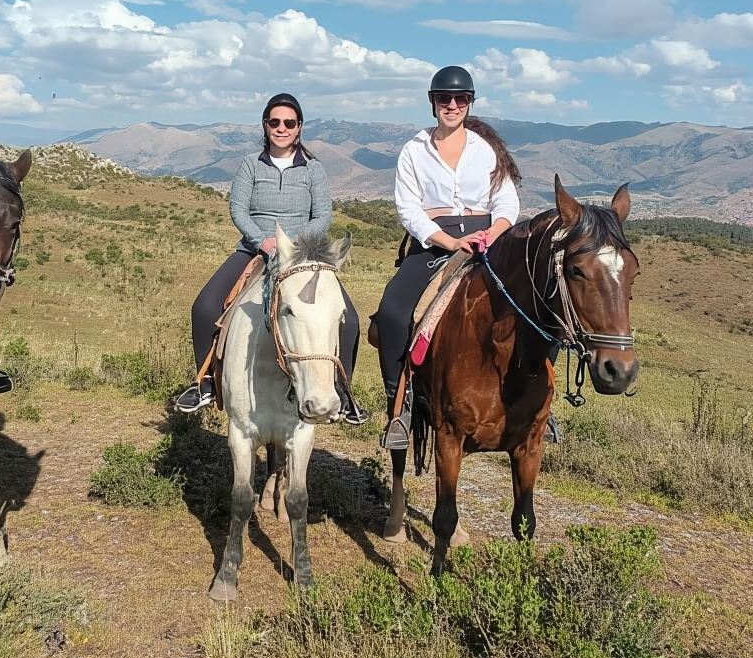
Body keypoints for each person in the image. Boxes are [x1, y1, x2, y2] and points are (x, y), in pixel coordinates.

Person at [174, 93, 367, 425]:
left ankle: (343, 390)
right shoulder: (251, 164)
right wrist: (261, 241)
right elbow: (238, 209)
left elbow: (322, 216)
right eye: (275, 122)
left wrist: (293, 244)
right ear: (265, 125)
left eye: (289, 123)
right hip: (254, 249)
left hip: (301, 254)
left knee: (348, 320)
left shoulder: (314, 169)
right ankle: (205, 383)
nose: (282, 128)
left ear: (299, 127)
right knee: (204, 306)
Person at [375, 66, 522, 449]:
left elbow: (507, 201)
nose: (452, 105)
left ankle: (537, 400)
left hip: (487, 240)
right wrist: (450, 242)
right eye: (444, 98)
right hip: (434, 243)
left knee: (534, 302)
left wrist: (491, 234)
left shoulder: (486, 149)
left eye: (461, 99)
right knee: (392, 312)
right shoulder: (414, 150)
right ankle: (400, 405)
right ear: (432, 101)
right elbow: (408, 209)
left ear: (470, 103)